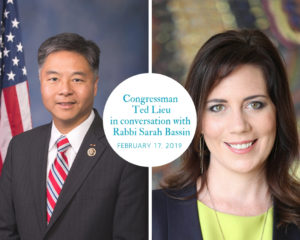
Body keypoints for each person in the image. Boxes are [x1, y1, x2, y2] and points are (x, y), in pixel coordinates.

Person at [153, 29, 300, 240]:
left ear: (278, 111)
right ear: (197, 120)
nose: (239, 126)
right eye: (217, 107)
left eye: (254, 104)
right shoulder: (151, 215)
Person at [0, 33, 148, 240]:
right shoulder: (20, 147)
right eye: (54, 79)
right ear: (40, 82)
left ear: (95, 85)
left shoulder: (126, 153)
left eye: (77, 79)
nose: (65, 90)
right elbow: (5, 230)